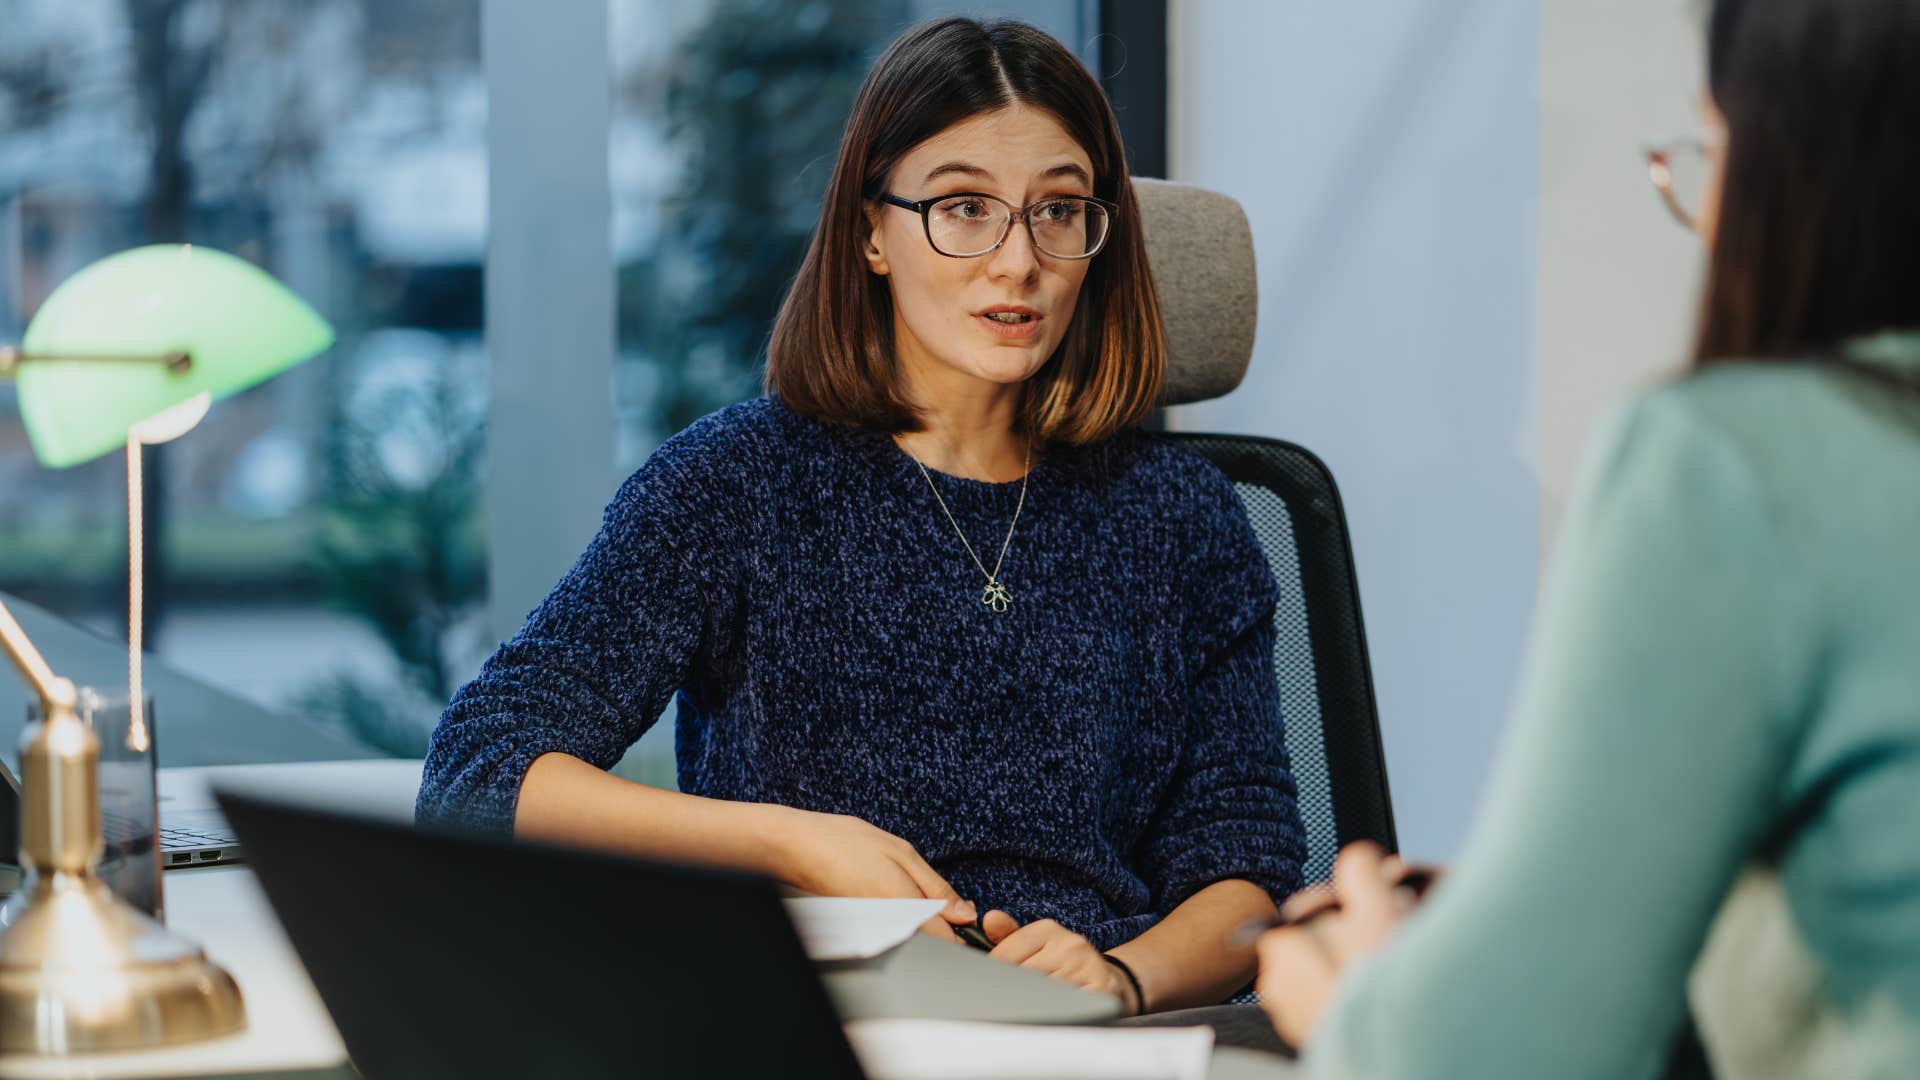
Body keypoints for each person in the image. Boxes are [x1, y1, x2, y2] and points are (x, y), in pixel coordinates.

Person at [417, 17, 1306, 1018]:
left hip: (1086, 1032)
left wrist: (1124, 978)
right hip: (812, 1020)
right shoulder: (737, 481)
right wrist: (789, 842)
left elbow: (1249, 871)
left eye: (1059, 210)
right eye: (964, 207)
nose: (1020, 261)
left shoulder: (1181, 514)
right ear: (871, 233)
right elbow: (480, 772)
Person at [1255, 0, 1920, 1075]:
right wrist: (1566, 906)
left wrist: (1360, 993)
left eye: (1710, 153)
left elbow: (1492, 1055)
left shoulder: (1729, 464)